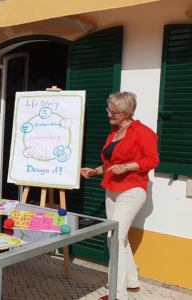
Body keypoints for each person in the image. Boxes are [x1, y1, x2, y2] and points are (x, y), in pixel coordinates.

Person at [80, 92, 159, 300]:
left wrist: (126, 167)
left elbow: (152, 160)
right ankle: (132, 283)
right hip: (111, 190)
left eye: (113, 112)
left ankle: (117, 294)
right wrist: (95, 171)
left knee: (114, 239)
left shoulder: (143, 132)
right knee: (120, 240)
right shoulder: (115, 132)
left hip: (131, 191)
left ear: (127, 112)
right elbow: (110, 162)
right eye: (109, 110)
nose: (109, 115)